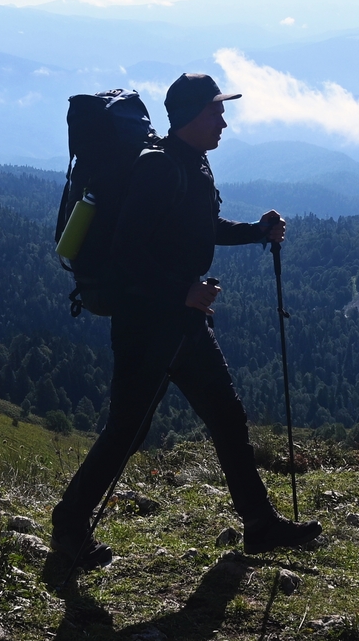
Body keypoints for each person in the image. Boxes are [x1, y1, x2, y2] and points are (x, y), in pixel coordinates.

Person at [47, 72, 322, 578]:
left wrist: (255, 232)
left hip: (181, 319)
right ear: (190, 116)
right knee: (128, 431)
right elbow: (124, 253)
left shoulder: (191, 164)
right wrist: (182, 291)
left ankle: (259, 523)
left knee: (226, 414)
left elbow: (201, 229)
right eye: (215, 111)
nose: (223, 121)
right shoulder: (158, 169)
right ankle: (68, 525)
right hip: (149, 321)